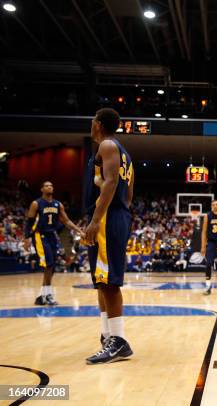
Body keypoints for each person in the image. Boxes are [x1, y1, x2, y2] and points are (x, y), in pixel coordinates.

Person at [84, 108, 134, 364]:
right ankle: (107, 336)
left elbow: (112, 183)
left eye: (93, 120)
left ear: (99, 124)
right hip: (113, 215)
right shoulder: (122, 153)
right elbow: (129, 194)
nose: (91, 124)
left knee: (109, 281)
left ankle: (118, 341)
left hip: (107, 217)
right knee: (102, 281)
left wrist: (95, 220)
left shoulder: (107, 145)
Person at [24, 181, 84, 305]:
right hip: (40, 235)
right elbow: (29, 222)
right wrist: (26, 238)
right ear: (42, 189)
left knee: (51, 267)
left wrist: (79, 231)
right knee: (49, 265)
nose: (49, 187)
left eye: (51, 185)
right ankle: (48, 295)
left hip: (52, 236)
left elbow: (66, 221)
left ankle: (43, 296)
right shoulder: (36, 204)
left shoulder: (58, 204)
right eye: (46, 185)